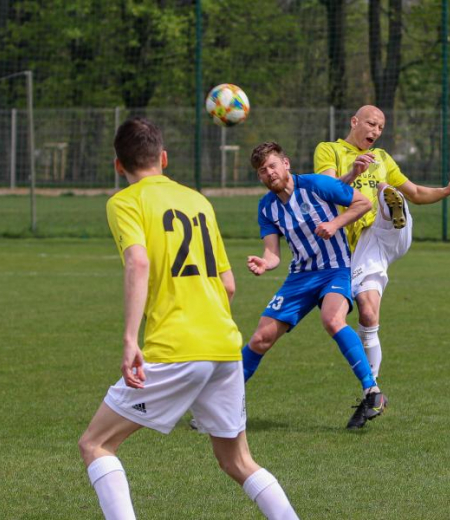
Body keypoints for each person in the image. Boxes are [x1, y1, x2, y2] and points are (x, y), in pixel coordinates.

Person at [78, 118, 298, 520]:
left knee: (96, 444)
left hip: (176, 347)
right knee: (238, 461)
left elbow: (138, 261)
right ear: (163, 158)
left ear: (118, 165)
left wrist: (130, 340)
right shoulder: (198, 201)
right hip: (223, 345)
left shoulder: (125, 202)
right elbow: (228, 285)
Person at [314, 105, 450, 383]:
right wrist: (352, 172)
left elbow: (416, 192)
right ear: (354, 121)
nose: (376, 131)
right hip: (349, 246)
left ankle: (392, 208)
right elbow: (328, 190)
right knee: (367, 311)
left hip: (378, 235)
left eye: (380, 128)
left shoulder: (381, 158)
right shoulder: (329, 150)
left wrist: (446, 190)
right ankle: (371, 389)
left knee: (388, 191)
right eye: (371, 124)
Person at [240, 141, 386, 430]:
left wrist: (335, 224)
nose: (268, 174)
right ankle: (224, 402)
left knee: (332, 319)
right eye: (261, 171)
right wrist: (264, 263)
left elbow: (363, 202)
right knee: (259, 339)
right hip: (300, 277)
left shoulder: (316, 184)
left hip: (335, 270)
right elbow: (272, 253)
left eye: (272, 166)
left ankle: (372, 391)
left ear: (286, 164)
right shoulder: (267, 207)